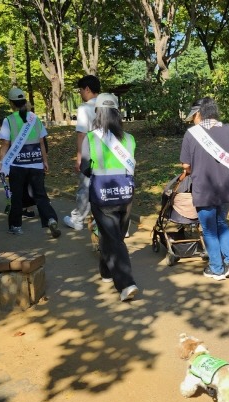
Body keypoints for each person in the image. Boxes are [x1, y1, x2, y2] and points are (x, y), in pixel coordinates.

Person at [79, 93, 139, 301]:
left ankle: (126, 284)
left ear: (98, 113)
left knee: (112, 238)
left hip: (102, 196)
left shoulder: (91, 138)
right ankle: (106, 272)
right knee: (114, 236)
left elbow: (85, 168)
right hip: (125, 196)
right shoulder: (129, 139)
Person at [180, 97, 229, 281]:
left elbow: (186, 165)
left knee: (209, 229)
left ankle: (216, 268)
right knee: (222, 224)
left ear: (199, 113)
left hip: (203, 188)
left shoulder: (191, 134)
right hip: (225, 187)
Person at [0, 87, 61, 239]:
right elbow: (41, 142)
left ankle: (15, 226)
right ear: (25, 101)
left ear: (11, 103)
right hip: (36, 163)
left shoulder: (9, 121)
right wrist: (45, 161)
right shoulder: (35, 119)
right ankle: (51, 219)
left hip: (18, 165)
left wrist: (2, 164)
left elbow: (5, 145)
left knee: (17, 195)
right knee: (40, 194)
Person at [64, 75, 100, 230]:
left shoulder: (85, 108)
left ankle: (78, 219)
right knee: (104, 187)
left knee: (85, 187)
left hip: (90, 153)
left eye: (80, 90)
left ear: (87, 89)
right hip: (111, 153)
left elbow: (81, 134)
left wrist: (79, 158)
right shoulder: (110, 104)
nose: (80, 93)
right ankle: (104, 221)